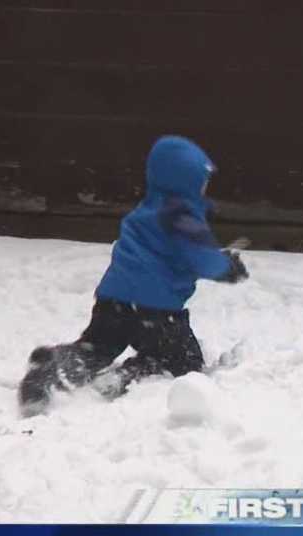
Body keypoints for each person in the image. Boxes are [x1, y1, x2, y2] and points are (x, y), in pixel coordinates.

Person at [19, 135, 248, 416]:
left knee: (97, 348)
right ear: (184, 181)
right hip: (156, 311)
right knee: (183, 362)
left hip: (113, 300)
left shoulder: (149, 210)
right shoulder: (182, 215)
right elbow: (201, 257)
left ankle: (55, 366)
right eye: (201, 180)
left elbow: (171, 251)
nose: (204, 187)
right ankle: (126, 376)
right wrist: (227, 267)